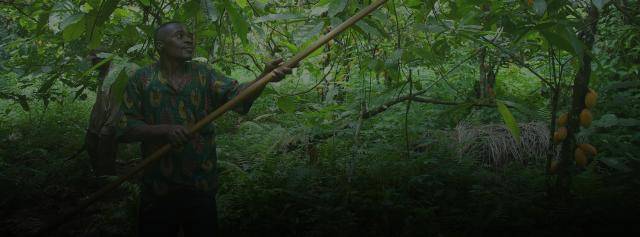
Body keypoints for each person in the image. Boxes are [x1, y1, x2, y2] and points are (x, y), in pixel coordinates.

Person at [116, 22, 294, 237]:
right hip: (158, 184)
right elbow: (125, 128)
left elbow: (237, 96)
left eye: (189, 36)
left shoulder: (204, 74)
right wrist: (163, 130)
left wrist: (264, 77)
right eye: (179, 35)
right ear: (160, 45)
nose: (189, 39)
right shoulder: (142, 80)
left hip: (200, 182)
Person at [85, 50, 118, 176]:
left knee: (106, 154)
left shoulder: (115, 74)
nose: (92, 63)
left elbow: (116, 105)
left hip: (110, 123)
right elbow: (101, 103)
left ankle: (108, 181)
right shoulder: (103, 74)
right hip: (99, 120)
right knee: (90, 144)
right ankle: (98, 175)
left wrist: (109, 127)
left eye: (94, 60)